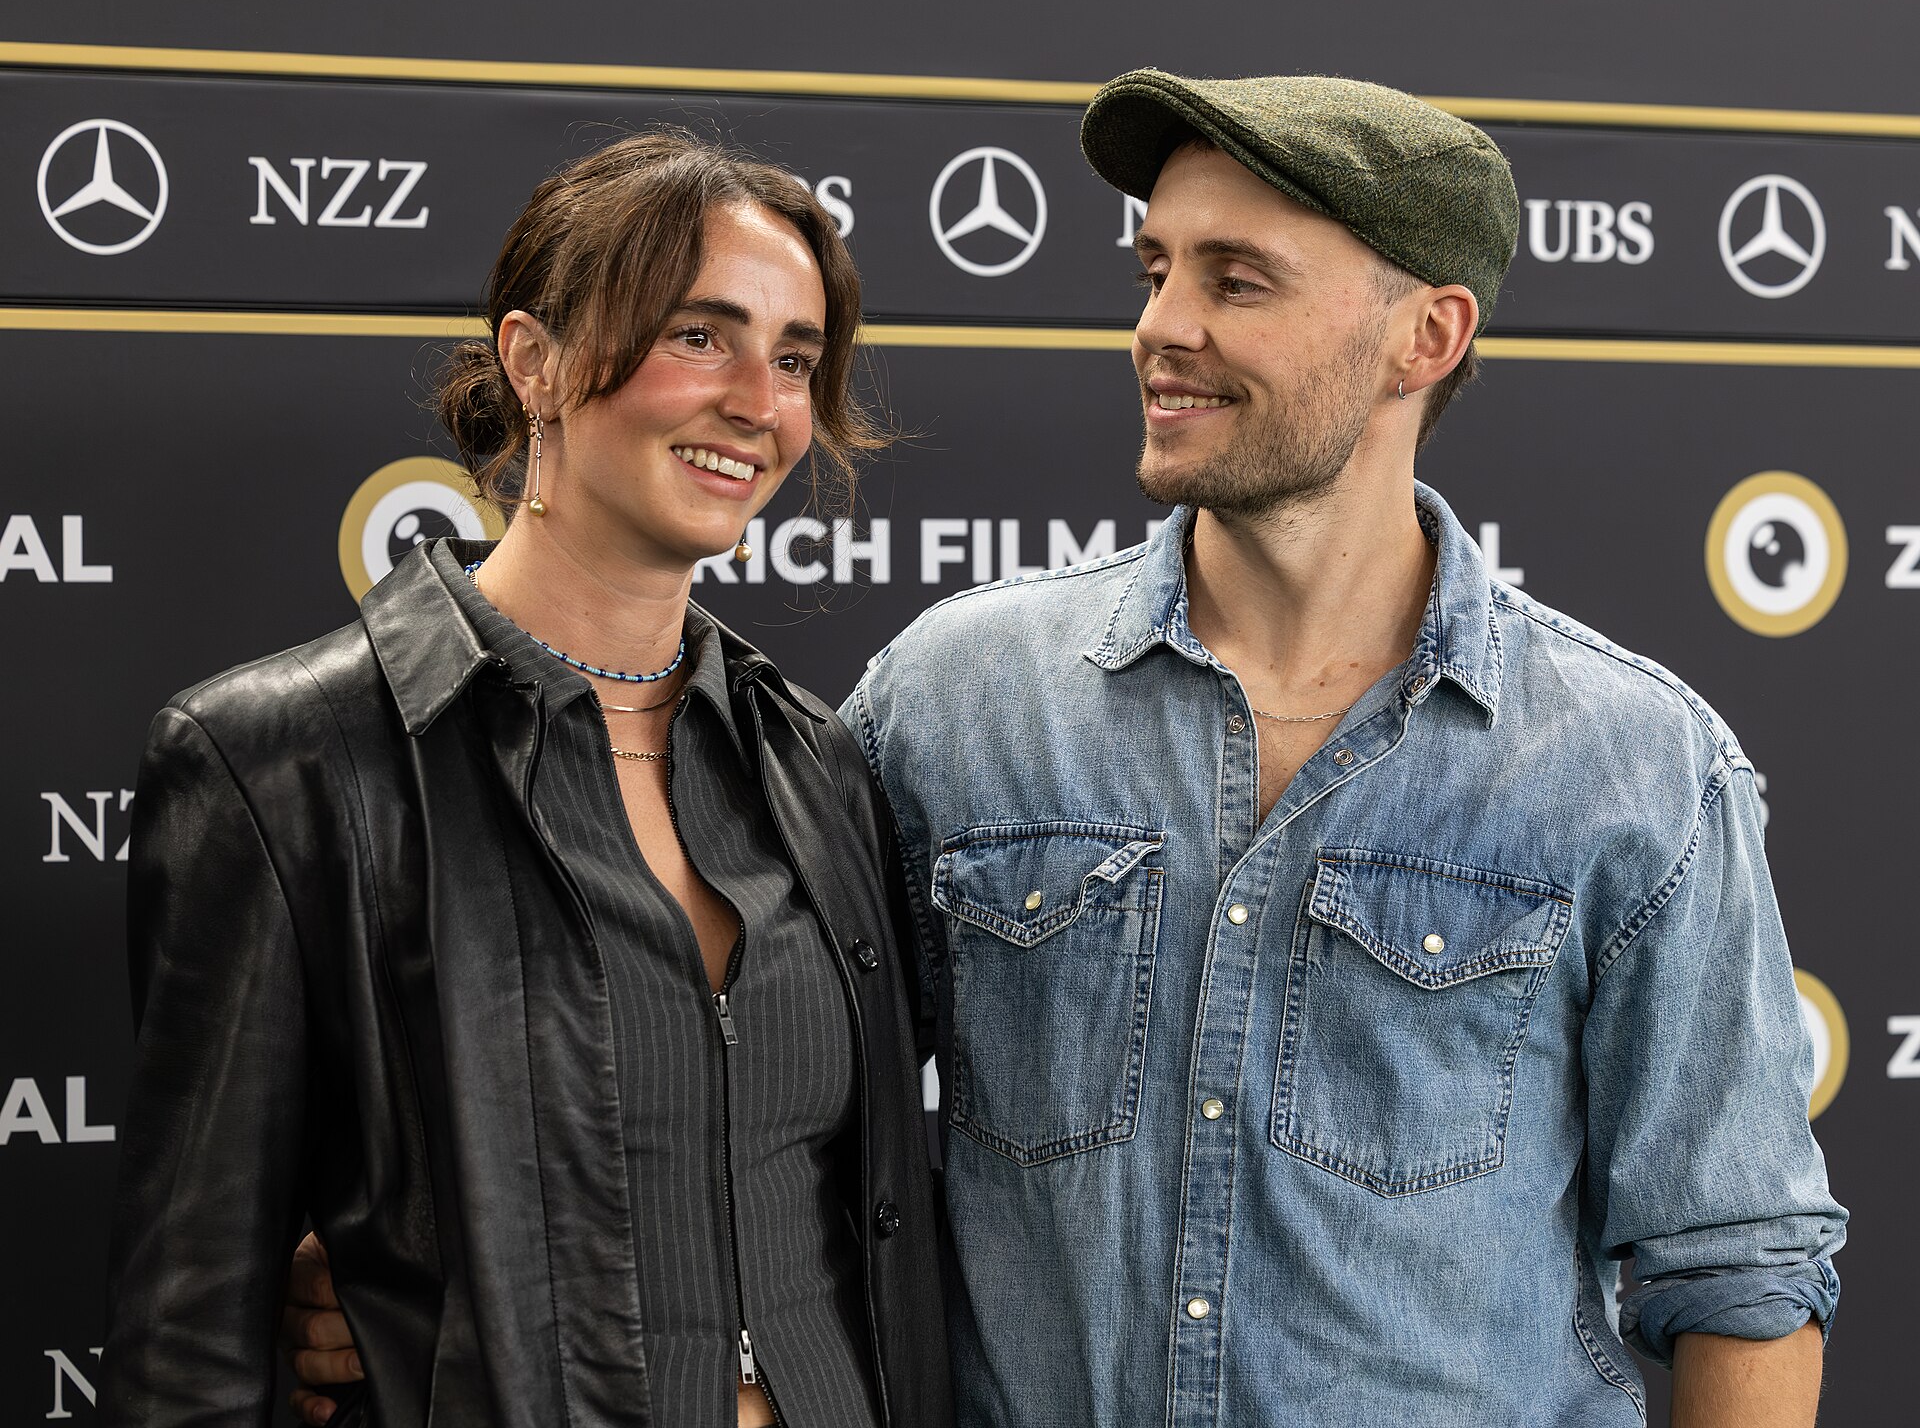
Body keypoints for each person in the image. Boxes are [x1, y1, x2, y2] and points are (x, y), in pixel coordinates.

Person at [291, 74, 1848, 1426]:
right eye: (1156, 269)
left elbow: (1742, 1276)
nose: (1163, 327)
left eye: (1237, 280)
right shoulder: (955, 701)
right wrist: (428, 1249)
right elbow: (738, 1076)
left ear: (1423, 337)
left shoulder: (1636, 767)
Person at [100, 130, 952, 1428]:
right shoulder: (283, 762)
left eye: (794, 359)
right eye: (700, 336)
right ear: (534, 360)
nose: (759, 404)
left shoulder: (813, 761)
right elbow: (184, 1350)